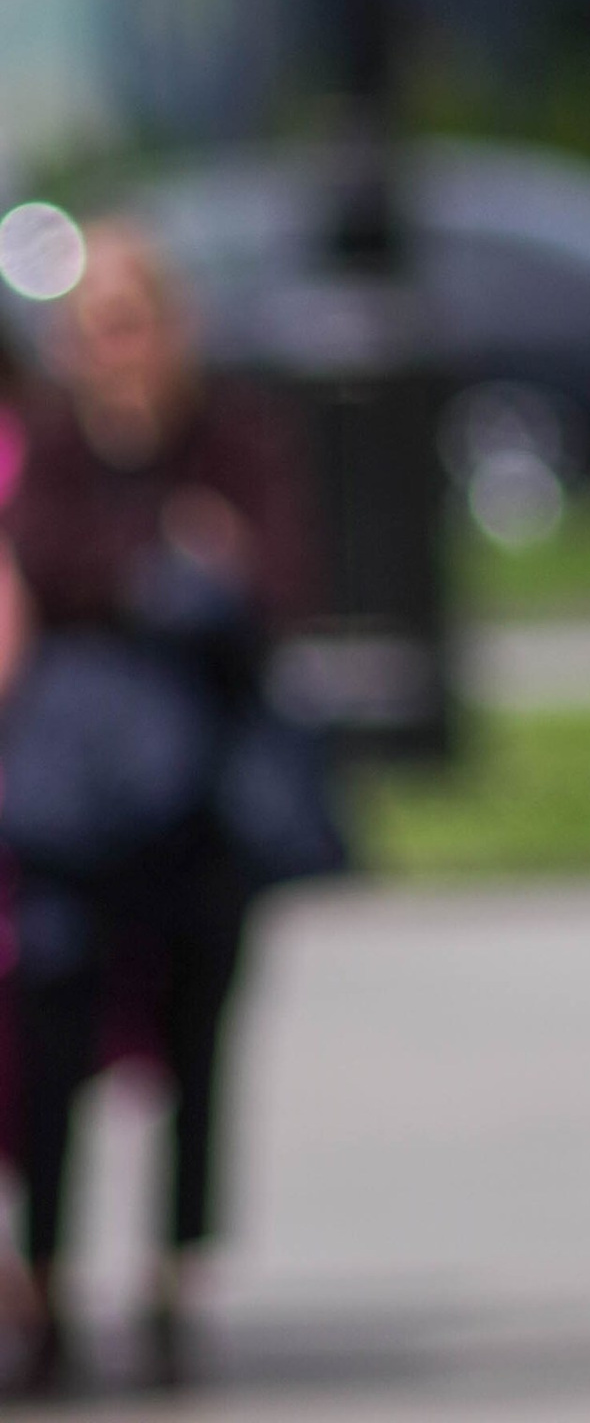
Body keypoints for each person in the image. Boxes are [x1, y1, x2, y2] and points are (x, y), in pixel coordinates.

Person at [0, 224, 318, 1394]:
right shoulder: (55, 443)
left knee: (197, 1047)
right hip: (76, 806)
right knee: (52, 1042)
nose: (113, 349)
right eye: (91, 329)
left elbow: (277, 580)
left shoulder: (236, 433)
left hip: (203, 804)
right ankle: (45, 1286)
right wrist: (170, 566)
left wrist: (167, 577)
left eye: (131, 322)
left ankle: (174, 1287)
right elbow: (50, 564)